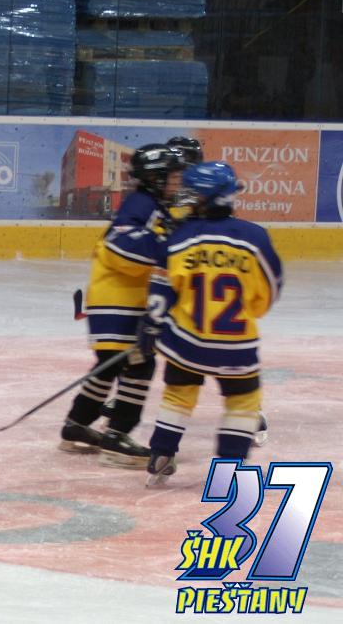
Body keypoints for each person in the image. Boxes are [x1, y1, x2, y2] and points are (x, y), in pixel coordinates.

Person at [140, 161, 283, 487]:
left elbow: (161, 289)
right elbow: (271, 287)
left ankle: (161, 453)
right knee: (243, 403)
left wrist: (151, 325)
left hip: (186, 341)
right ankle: (228, 468)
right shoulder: (254, 236)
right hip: (236, 345)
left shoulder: (179, 237)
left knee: (178, 396)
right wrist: (253, 309)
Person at [59, 143, 185, 468]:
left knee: (109, 365)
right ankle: (117, 435)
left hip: (114, 299)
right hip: (120, 302)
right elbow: (120, 245)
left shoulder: (151, 206)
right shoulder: (143, 204)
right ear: (155, 178)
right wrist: (167, 245)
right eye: (172, 177)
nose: (178, 183)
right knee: (139, 365)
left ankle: (77, 424)